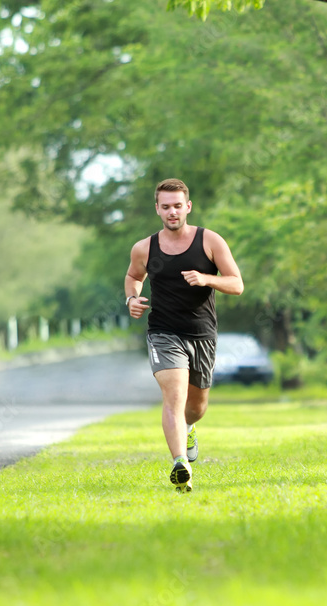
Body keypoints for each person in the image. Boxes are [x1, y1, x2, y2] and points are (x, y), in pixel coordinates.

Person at [124, 178, 243, 492]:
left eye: (178, 206)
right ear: (157, 210)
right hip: (163, 332)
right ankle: (180, 463)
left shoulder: (209, 241)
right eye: (166, 207)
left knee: (195, 407)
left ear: (188, 206)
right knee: (173, 398)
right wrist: (132, 299)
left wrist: (206, 279)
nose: (172, 212)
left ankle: (189, 429)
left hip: (202, 333)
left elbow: (236, 284)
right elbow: (134, 276)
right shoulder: (144, 248)